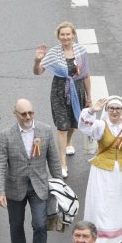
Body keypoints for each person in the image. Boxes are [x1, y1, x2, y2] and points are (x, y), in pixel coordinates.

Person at [0, 98, 62, 243]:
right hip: (15, 188)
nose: (28, 116)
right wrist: (0, 192)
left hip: (39, 187)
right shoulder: (6, 134)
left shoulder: (45, 131)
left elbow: (54, 160)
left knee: (40, 225)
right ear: (15, 113)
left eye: (31, 113)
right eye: (23, 113)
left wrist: (60, 186)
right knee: (16, 226)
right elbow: (0, 164)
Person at [78, 96, 122, 243]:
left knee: (118, 205)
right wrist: (91, 111)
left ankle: (115, 238)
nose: (114, 112)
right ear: (107, 110)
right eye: (111, 108)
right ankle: (101, 238)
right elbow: (84, 127)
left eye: (118, 109)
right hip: (102, 173)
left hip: (121, 176)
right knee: (101, 204)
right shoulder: (101, 126)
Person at [33, 22, 91, 178]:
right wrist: (38, 60)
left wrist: (89, 97)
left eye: (68, 34)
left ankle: (69, 142)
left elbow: (85, 75)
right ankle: (62, 163)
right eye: (62, 34)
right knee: (61, 127)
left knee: (73, 122)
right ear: (58, 36)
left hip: (77, 90)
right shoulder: (53, 53)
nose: (65, 37)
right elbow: (38, 72)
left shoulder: (81, 51)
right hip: (59, 91)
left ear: (73, 35)